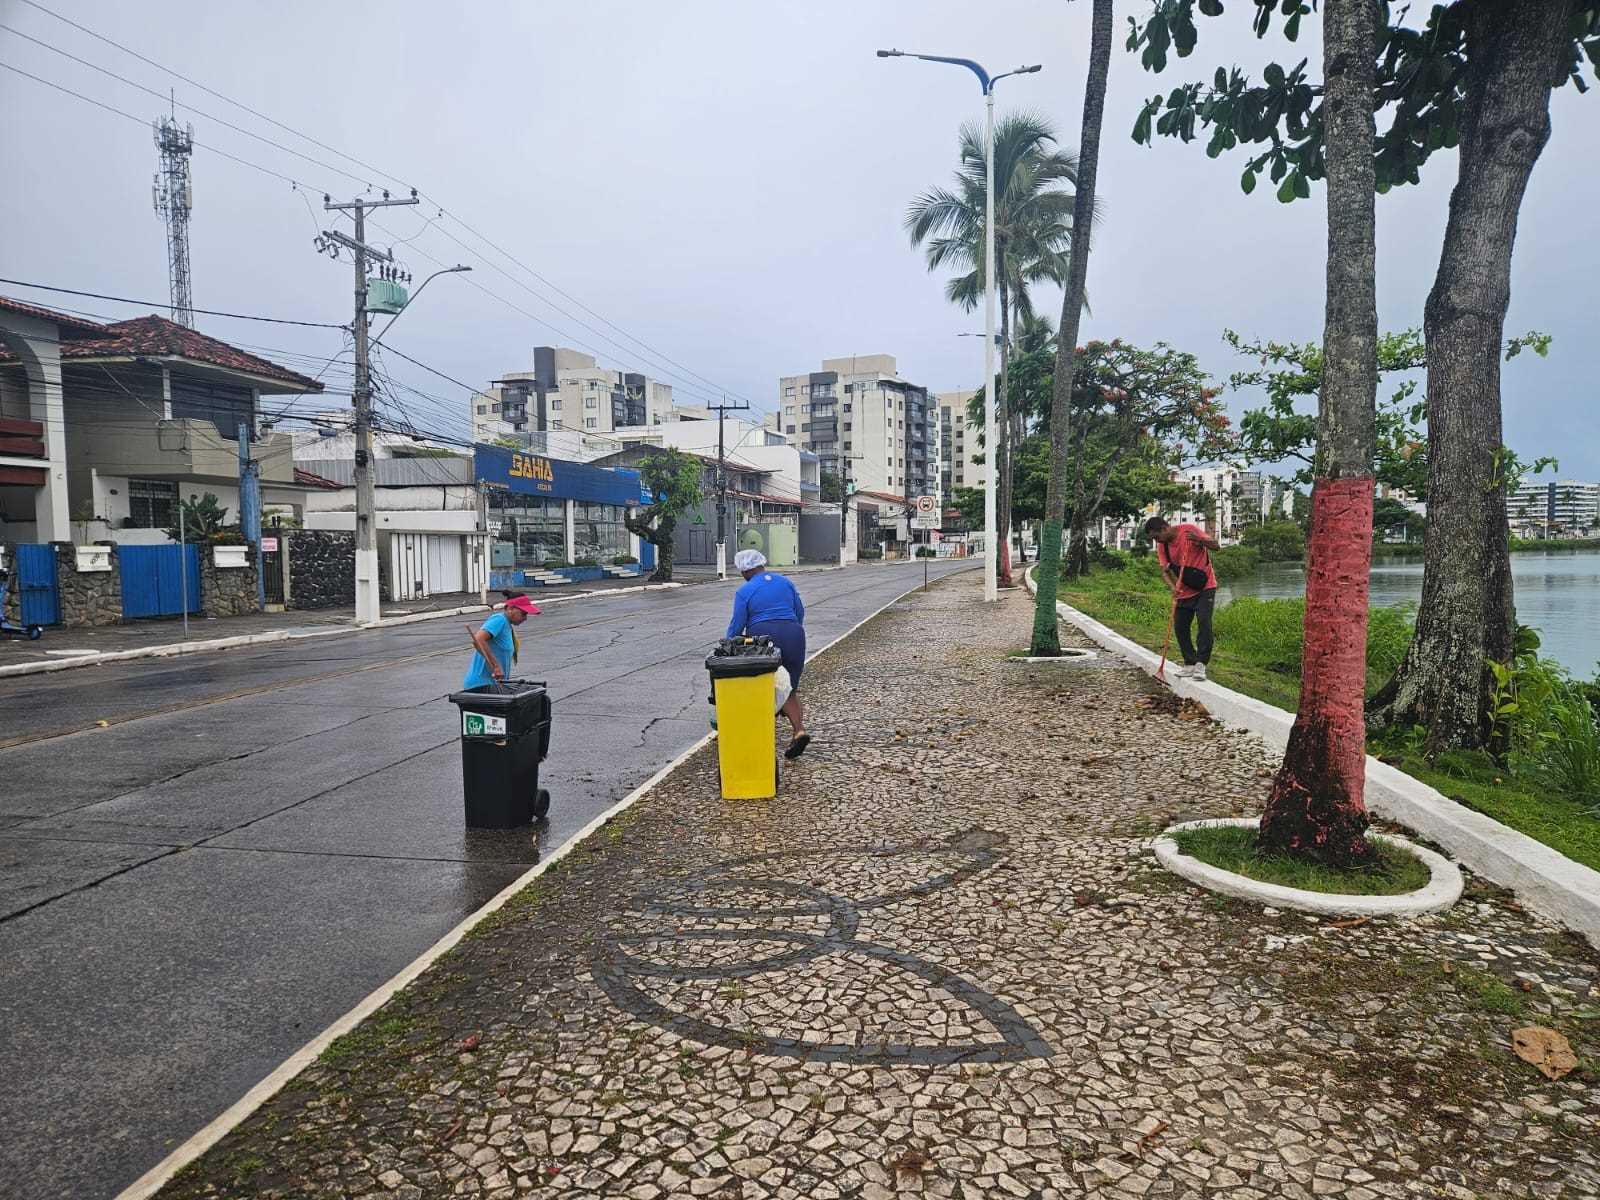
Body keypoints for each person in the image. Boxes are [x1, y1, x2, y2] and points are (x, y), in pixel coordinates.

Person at [727, 548, 810, 758]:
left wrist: (728, 644)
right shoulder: (785, 582)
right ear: (762, 564)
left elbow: (737, 625)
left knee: (765, 686)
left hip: (764, 638)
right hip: (794, 635)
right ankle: (798, 731)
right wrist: (792, 629)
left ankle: (760, 736)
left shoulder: (745, 591)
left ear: (745, 571)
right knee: (788, 686)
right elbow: (799, 611)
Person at [1145, 516, 1219, 681]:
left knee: (1204, 623)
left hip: (1205, 586)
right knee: (1180, 627)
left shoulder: (1189, 530)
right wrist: (1173, 588)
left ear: (1164, 528)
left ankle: (1201, 664)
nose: (1156, 541)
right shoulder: (1162, 546)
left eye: (1157, 537)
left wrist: (1199, 539)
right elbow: (1164, 570)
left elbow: (1216, 546)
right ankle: (1190, 662)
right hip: (1183, 589)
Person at [463, 593, 540, 688]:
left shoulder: (507, 626)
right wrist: (495, 665)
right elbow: (478, 639)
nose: (525, 618)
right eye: (523, 614)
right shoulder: (499, 620)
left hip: (495, 684)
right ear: (510, 609)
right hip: (481, 685)